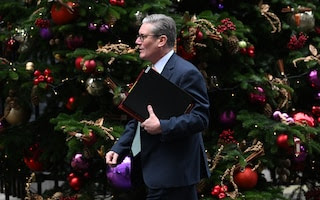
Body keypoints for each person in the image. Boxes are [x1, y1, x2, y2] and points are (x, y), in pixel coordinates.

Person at [105, 13, 210, 200]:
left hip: (175, 175)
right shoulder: (149, 71)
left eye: (143, 37)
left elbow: (200, 118)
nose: (137, 41)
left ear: (161, 40)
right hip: (153, 172)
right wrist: (119, 147)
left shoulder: (186, 73)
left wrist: (162, 126)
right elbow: (137, 117)